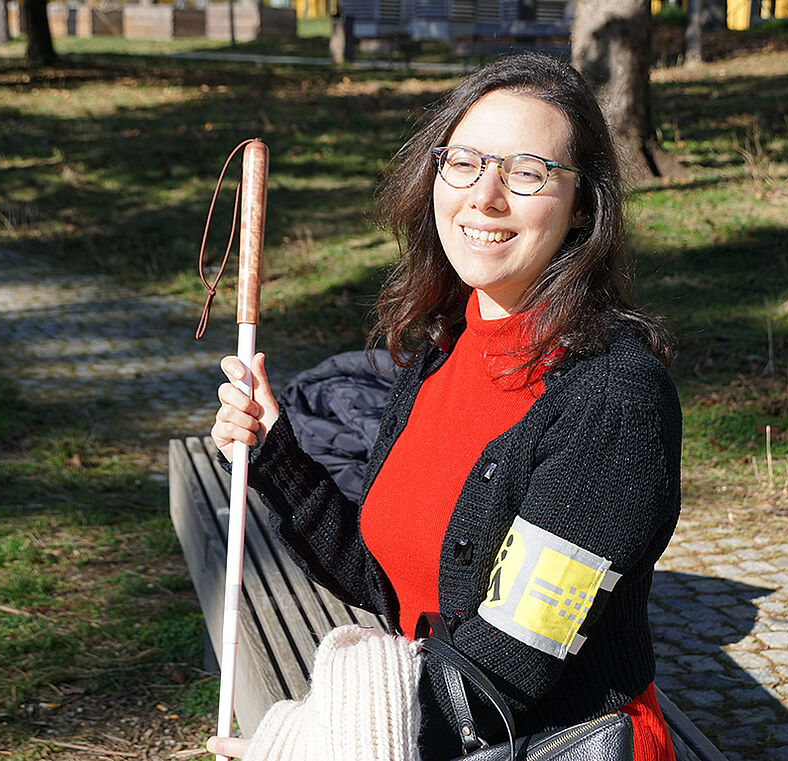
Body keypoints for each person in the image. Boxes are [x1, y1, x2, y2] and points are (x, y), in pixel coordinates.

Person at [209, 52, 681, 761]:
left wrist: (302, 741)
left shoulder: (613, 400)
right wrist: (278, 452)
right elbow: (389, 579)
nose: (484, 196)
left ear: (583, 202)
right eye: (463, 161)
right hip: (436, 725)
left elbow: (507, 666)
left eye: (526, 172)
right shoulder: (444, 347)